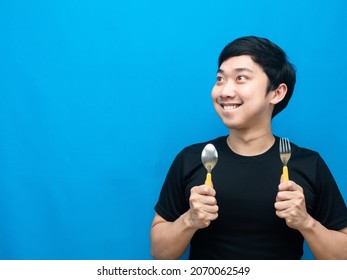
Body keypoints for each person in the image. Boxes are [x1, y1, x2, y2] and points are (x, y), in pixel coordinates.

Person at [150, 36, 347, 260]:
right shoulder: (193, 158)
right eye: (220, 79)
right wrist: (189, 220)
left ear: (277, 93)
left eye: (241, 78)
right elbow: (160, 253)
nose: (224, 91)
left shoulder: (308, 164)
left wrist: (306, 223)